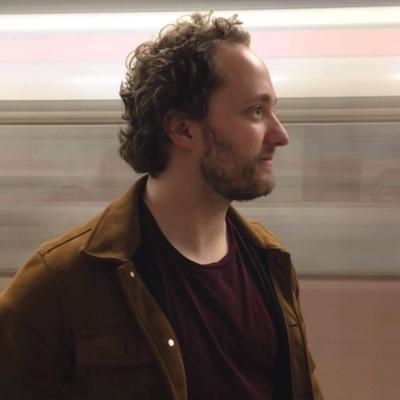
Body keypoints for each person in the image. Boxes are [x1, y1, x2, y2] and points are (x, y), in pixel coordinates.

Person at [0, 12, 323, 400]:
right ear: (182, 129)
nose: (281, 134)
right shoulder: (62, 280)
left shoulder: (270, 260)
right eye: (255, 111)